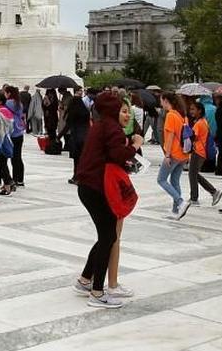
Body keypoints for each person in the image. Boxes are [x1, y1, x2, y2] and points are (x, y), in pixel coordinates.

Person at [71, 91, 142, 308]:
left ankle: (85, 280)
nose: (127, 115)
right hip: (95, 187)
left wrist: (125, 144)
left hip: (87, 186)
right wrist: (135, 145)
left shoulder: (101, 126)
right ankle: (97, 292)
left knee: (105, 235)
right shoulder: (112, 128)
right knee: (108, 236)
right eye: (123, 110)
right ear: (113, 110)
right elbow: (120, 155)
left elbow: (111, 153)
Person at [157, 93, 190, 219]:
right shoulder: (182, 115)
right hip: (183, 154)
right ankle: (176, 210)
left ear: (166, 100)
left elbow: (169, 137)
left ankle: (180, 202)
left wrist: (167, 155)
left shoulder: (171, 115)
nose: (161, 103)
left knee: (161, 179)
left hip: (174, 153)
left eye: (161, 100)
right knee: (175, 180)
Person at [186, 102, 222, 206]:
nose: (191, 111)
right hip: (201, 151)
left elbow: (193, 137)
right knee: (194, 174)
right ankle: (213, 192)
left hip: (197, 151)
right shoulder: (203, 121)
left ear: (200, 110)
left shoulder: (199, 123)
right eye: (191, 109)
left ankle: (195, 198)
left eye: (193, 109)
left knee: (192, 174)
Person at [61, 89, 90, 185]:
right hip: (85, 136)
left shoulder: (73, 112)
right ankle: (82, 176)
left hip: (76, 137)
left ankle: (76, 177)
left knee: (76, 159)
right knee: (83, 158)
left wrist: (58, 136)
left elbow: (67, 126)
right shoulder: (85, 112)